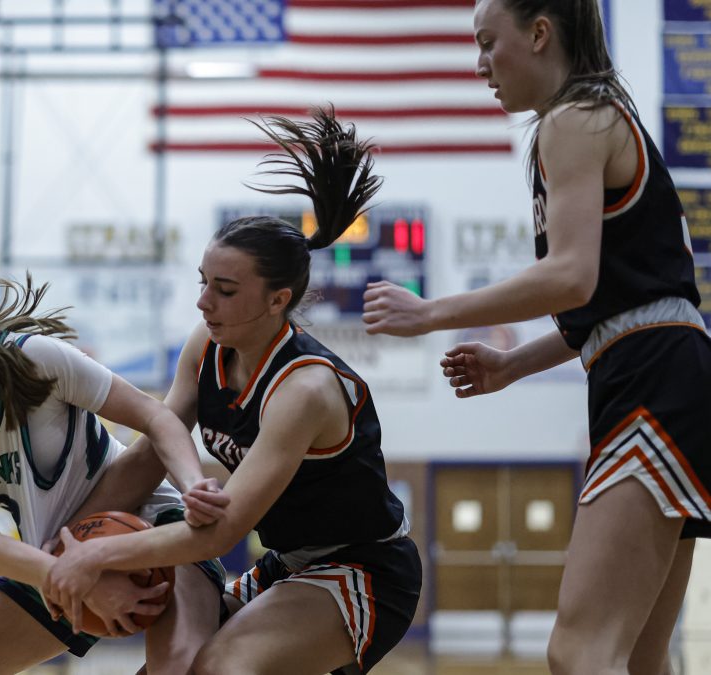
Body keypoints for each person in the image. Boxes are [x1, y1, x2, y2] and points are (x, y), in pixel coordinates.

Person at [361, 1, 711, 673]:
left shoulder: (573, 119)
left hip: (654, 378)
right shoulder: (597, 116)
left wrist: (431, 312)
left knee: (578, 651)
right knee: (638, 656)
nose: (481, 64)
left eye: (490, 43)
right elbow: (615, 302)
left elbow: (572, 276)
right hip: (660, 366)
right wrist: (513, 365)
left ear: (540, 33)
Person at [43, 108, 423, 675]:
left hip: (364, 568)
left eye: (224, 290)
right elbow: (151, 451)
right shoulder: (206, 345)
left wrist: (99, 553)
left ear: (278, 300)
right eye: (203, 283)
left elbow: (219, 532)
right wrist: (65, 544)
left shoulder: (306, 389)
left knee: (220, 668)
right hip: (289, 564)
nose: (203, 302)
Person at [0, 274, 231, 675]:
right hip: (49, 558)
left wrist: (193, 484)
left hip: (148, 520)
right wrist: (77, 577)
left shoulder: (35, 359)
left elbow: (154, 416)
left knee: (184, 670)